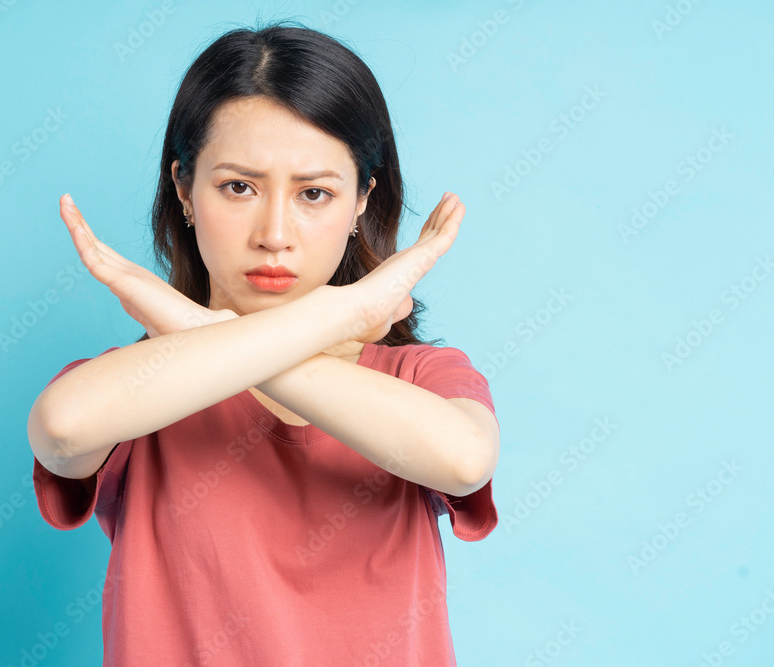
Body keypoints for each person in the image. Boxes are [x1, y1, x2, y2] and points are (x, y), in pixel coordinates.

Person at [27, 20, 500, 667]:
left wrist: (204, 328)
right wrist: (345, 312)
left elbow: (465, 458)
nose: (274, 232)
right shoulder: (138, 389)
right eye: (239, 187)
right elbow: (60, 425)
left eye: (314, 193)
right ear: (184, 191)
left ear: (363, 198)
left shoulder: (421, 374)